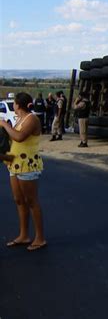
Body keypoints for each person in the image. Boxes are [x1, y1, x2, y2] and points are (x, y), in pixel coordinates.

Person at [0, 92, 47, 251]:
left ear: (17, 104)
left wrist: (5, 125)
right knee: (18, 200)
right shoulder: (19, 119)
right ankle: (24, 235)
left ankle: (40, 238)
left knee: (31, 201)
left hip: (28, 165)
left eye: (13, 102)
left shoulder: (32, 119)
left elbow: (19, 137)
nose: (13, 105)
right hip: (15, 163)